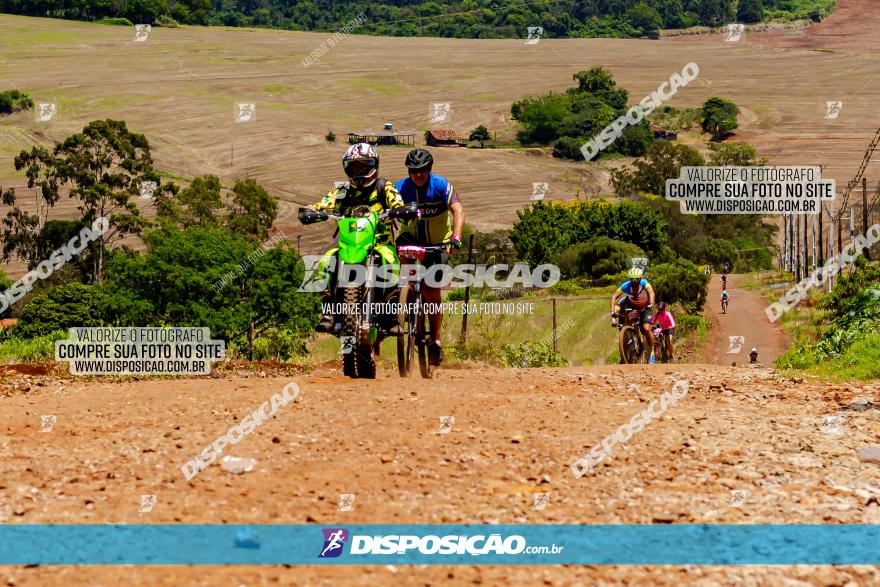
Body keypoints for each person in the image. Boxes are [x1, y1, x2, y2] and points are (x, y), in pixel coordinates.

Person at [300, 143, 407, 333]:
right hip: (349, 244)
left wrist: (401, 208)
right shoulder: (343, 190)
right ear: (347, 168)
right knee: (325, 261)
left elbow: (396, 201)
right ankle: (329, 311)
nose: (358, 170)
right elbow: (326, 202)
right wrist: (312, 210)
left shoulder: (384, 186)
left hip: (380, 243)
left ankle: (389, 314)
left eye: (363, 165)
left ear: (373, 165)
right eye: (354, 166)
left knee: (390, 261)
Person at [395, 148, 465, 366]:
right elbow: (385, 212)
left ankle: (436, 340)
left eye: (422, 171)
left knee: (430, 290)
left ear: (429, 169)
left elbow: (458, 211)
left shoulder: (441, 185)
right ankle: (404, 302)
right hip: (411, 240)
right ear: (408, 171)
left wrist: (455, 237)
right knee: (404, 276)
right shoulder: (399, 188)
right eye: (414, 171)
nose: (418, 175)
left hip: (438, 244)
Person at [610, 270, 657, 364]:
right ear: (629, 279)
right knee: (626, 325)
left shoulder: (644, 283)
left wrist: (651, 303)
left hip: (646, 307)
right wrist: (612, 312)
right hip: (632, 306)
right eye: (632, 279)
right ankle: (627, 347)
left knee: (646, 328)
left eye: (636, 279)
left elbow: (651, 292)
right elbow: (614, 296)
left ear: (640, 278)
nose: (634, 281)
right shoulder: (626, 285)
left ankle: (652, 353)